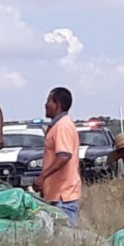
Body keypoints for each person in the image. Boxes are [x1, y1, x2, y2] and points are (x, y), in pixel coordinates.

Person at [33, 88, 81, 227]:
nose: (45, 105)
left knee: (66, 241)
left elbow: (64, 156)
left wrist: (43, 176)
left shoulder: (63, 127)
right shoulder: (57, 126)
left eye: (49, 101)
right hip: (57, 195)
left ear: (57, 105)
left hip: (63, 197)